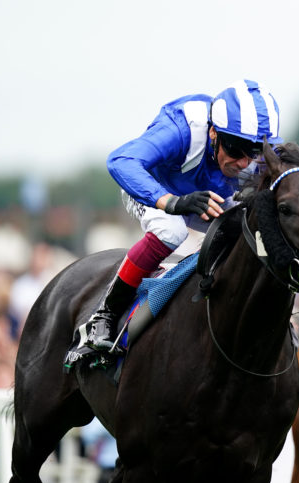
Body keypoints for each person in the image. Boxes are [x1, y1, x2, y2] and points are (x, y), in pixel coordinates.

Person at [76, 79, 282, 353]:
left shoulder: (256, 155)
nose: (244, 163)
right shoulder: (181, 128)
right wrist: (172, 202)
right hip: (154, 189)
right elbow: (120, 161)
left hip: (204, 196)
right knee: (172, 230)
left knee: (250, 229)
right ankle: (104, 316)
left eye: (254, 150)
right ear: (213, 133)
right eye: (235, 148)